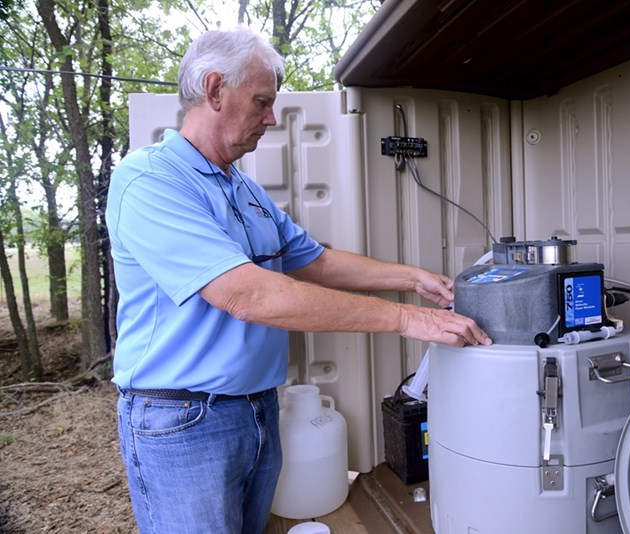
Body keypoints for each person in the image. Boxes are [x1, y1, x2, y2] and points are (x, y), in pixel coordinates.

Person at [105, 27, 492, 534]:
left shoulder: (243, 187)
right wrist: (403, 318)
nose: (271, 117)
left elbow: (314, 260)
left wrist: (412, 278)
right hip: (184, 423)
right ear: (215, 89)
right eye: (262, 101)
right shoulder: (151, 181)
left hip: (258, 409)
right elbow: (245, 294)